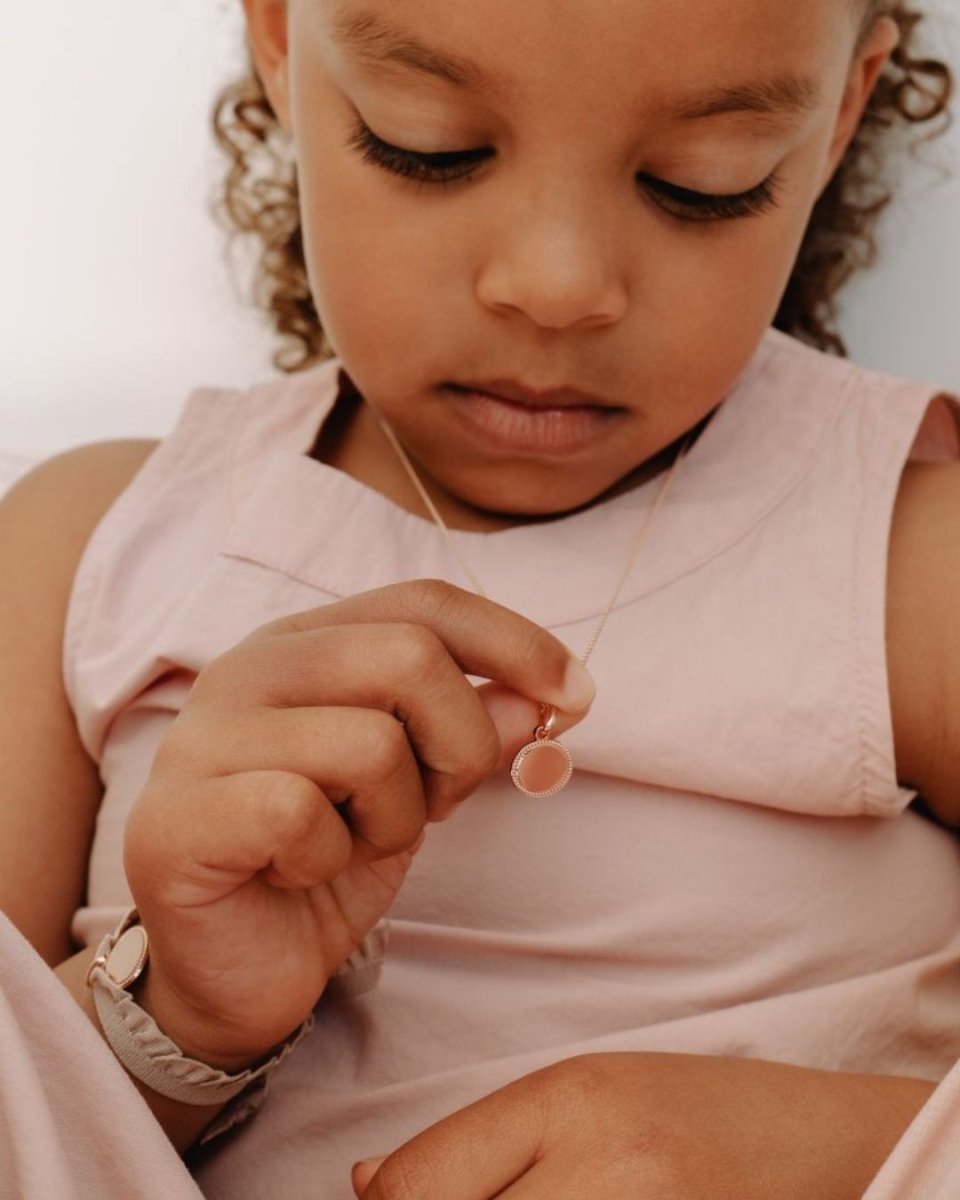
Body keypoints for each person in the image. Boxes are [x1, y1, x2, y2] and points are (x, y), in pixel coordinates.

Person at [1, 0, 959, 1196]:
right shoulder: (91, 548)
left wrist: (843, 1152)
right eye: (428, 142)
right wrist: (174, 1019)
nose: (556, 287)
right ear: (282, 42)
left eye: (704, 182)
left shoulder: (908, 556)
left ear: (839, 115)